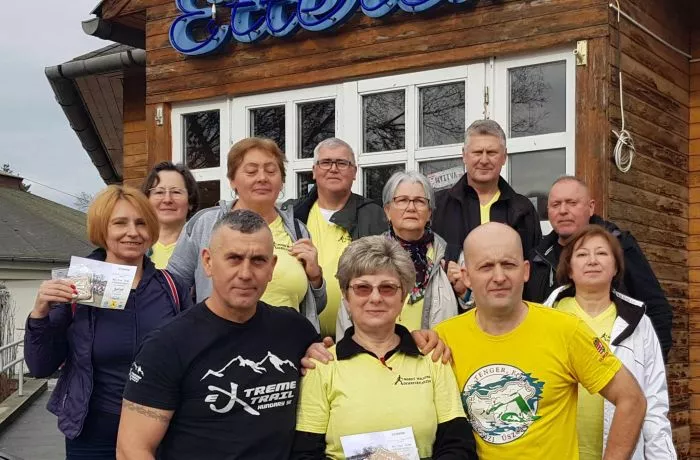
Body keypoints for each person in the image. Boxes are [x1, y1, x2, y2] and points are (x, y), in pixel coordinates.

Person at [117, 210, 446, 459]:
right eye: (234, 258)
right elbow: (132, 449)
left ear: (273, 267)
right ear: (207, 262)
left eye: (258, 260)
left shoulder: (295, 330)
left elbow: (355, 354)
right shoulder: (167, 344)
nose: (246, 273)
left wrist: (417, 339)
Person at [434, 222, 647, 459]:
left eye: (508, 265)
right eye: (486, 267)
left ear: (526, 271)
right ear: (466, 276)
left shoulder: (565, 330)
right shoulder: (443, 338)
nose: (499, 277)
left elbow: (632, 399)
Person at [24, 185, 189, 459]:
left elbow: (192, 359)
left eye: (141, 223)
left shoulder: (173, 288)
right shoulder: (76, 287)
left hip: (160, 431)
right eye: (120, 223)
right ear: (102, 229)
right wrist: (40, 313)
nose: (133, 232)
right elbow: (41, 366)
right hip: (93, 433)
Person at [292, 236, 477, 459]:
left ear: (403, 296)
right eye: (362, 288)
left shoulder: (432, 357)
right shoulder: (322, 365)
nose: (375, 298)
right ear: (346, 296)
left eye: (387, 288)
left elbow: (458, 445)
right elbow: (305, 454)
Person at [542, 224, 676, 460]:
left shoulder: (637, 323)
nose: (592, 261)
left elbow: (654, 403)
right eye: (582, 254)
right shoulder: (546, 318)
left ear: (615, 267)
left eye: (602, 253)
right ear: (569, 268)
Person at [167, 137, 326, 330]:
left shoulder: (297, 230)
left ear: (282, 181)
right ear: (232, 180)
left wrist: (316, 278)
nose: (262, 178)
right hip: (220, 342)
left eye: (271, 171)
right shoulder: (205, 224)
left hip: (288, 343)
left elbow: (313, 307)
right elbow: (172, 290)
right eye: (251, 171)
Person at [524, 175, 673, 361]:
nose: (563, 211)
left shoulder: (619, 247)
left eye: (572, 203)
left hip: (617, 366)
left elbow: (656, 310)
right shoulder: (537, 258)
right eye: (556, 204)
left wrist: (645, 368)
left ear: (591, 207)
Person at [336, 171, 461, 340]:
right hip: (377, 353)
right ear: (387, 210)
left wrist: (464, 293)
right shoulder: (365, 256)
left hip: (434, 352)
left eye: (419, 201)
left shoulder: (450, 256)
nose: (411, 208)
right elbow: (347, 313)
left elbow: (475, 315)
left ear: (430, 213)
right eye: (402, 200)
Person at [281, 137, 386, 338]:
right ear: (314, 171)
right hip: (299, 336)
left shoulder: (373, 215)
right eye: (326, 162)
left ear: (354, 172)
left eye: (342, 163)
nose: (333, 169)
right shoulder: (291, 214)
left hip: (358, 337)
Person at [432, 119, 541, 257]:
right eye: (477, 152)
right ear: (464, 155)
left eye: (491, 152)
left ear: (504, 156)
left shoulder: (523, 210)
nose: (484, 160)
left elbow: (533, 264)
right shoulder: (438, 206)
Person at [142, 161, 200, 269]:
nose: (167, 200)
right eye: (159, 192)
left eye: (176, 192)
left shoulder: (203, 246)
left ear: (190, 202)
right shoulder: (133, 245)